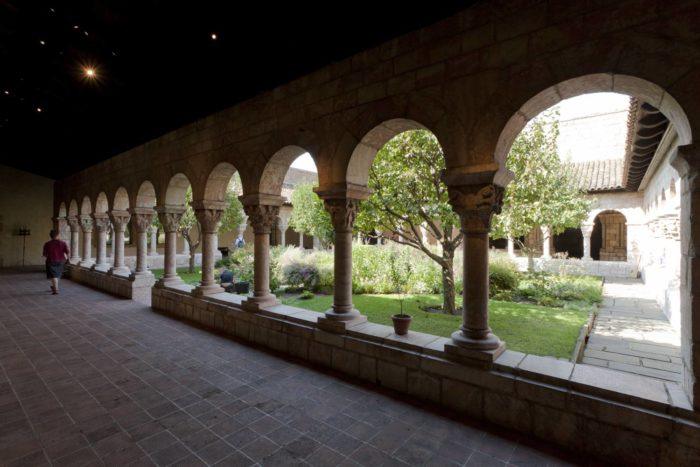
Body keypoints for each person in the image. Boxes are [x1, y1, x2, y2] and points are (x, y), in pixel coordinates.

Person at [42, 229, 70, 295]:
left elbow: (45, 255)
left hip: (51, 260)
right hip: (61, 261)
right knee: (58, 274)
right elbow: (67, 252)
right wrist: (68, 259)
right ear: (58, 235)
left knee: (53, 275)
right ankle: (54, 286)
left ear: (50, 236)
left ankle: (56, 289)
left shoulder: (47, 244)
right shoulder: (63, 243)